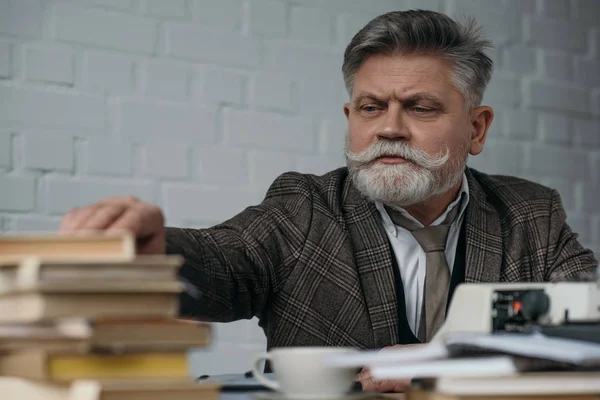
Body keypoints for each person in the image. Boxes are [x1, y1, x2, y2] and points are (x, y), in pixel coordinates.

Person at [58, 9, 597, 393]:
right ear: (350, 119)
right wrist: (152, 255)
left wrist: (454, 361)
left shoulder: (532, 215)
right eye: (370, 107)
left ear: (477, 129)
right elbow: (221, 261)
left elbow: (590, 326)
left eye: (420, 107)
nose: (390, 127)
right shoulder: (302, 209)